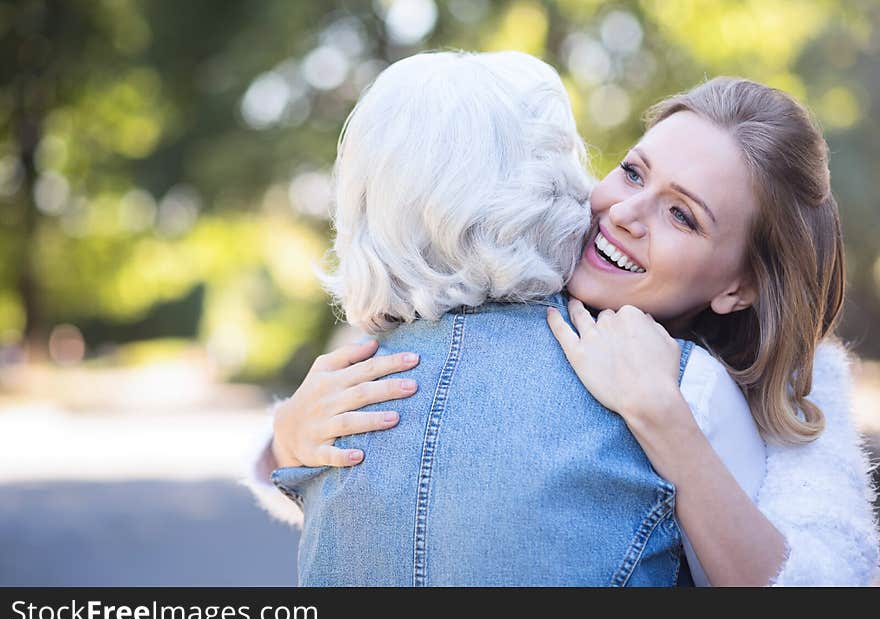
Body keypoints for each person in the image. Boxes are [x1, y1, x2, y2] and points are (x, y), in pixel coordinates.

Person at [243, 52, 879, 586]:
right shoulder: (439, 314)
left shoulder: (761, 410)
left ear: (737, 288)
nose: (627, 212)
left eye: (683, 216)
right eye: (633, 172)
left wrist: (667, 421)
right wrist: (286, 440)